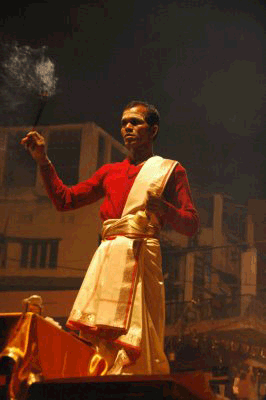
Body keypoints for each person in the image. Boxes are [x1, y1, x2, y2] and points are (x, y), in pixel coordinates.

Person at [21, 100, 199, 375]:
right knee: (101, 344)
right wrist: (43, 160)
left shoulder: (170, 171)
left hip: (142, 256)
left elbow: (191, 224)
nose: (127, 127)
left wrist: (166, 210)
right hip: (108, 258)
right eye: (124, 123)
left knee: (141, 335)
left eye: (135, 122)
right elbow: (65, 200)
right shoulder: (109, 172)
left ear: (153, 130)